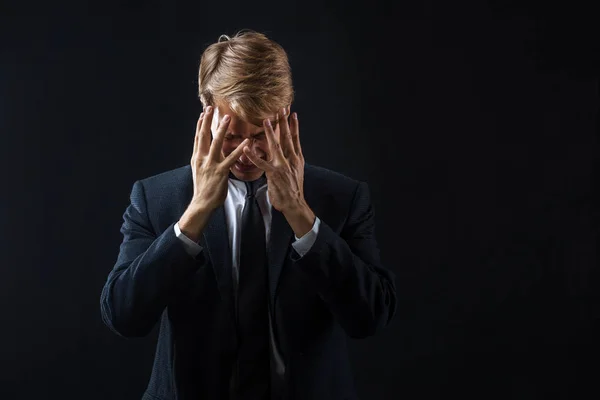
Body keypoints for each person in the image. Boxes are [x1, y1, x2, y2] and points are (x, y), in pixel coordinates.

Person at [100, 30, 397, 400]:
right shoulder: (156, 197)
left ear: (286, 117)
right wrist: (193, 217)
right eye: (230, 135)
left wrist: (301, 214)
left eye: (260, 134)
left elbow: (370, 318)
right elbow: (124, 317)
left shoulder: (342, 197)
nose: (246, 152)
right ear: (205, 113)